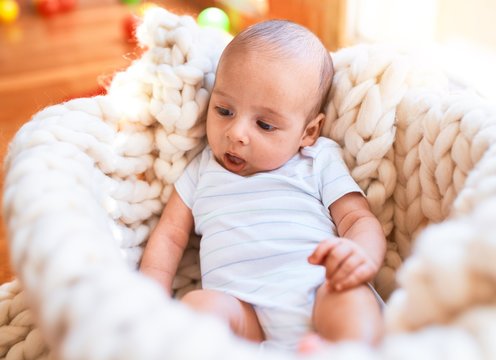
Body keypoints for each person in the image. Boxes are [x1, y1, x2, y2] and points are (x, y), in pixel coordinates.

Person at [140, 19, 386, 352]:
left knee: (350, 297)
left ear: (308, 132)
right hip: (244, 316)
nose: (236, 133)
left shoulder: (317, 160)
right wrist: (148, 300)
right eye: (224, 110)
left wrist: (361, 255)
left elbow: (358, 219)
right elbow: (169, 236)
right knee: (198, 306)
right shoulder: (201, 171)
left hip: (319, 291)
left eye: (265, 124)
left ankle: (347, 350)